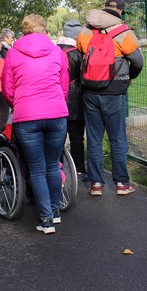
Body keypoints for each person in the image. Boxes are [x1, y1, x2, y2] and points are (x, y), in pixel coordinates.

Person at [2, 14, 69, 234]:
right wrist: (57, 103)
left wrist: (18, 104)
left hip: (27, 115)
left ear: (24, 31)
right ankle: (55, 211)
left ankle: (46, 218)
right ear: (44, 29)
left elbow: (8, 88)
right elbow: (64, 85)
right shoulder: (57, 52)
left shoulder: (13, 53)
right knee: (53, 165)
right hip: (56, 114)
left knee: (37, 169)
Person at [76, 0, 144, 196]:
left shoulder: (86, 30)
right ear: (121, 11)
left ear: (104, 8)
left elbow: (81, 54)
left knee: (94, 138)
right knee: (117, 138)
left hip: (90, 90)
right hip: (114, 91)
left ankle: (96, 184)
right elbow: (138, 61)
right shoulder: (123, 32)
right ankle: (121, 183)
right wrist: (129, 77)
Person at [56, 19, 86, 179]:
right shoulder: (79, 52)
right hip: (76, 100)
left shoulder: (53, 50)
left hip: (56, 99)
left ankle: (57, 165)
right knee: (77, 137)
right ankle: (78, 168)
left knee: (57, 138)